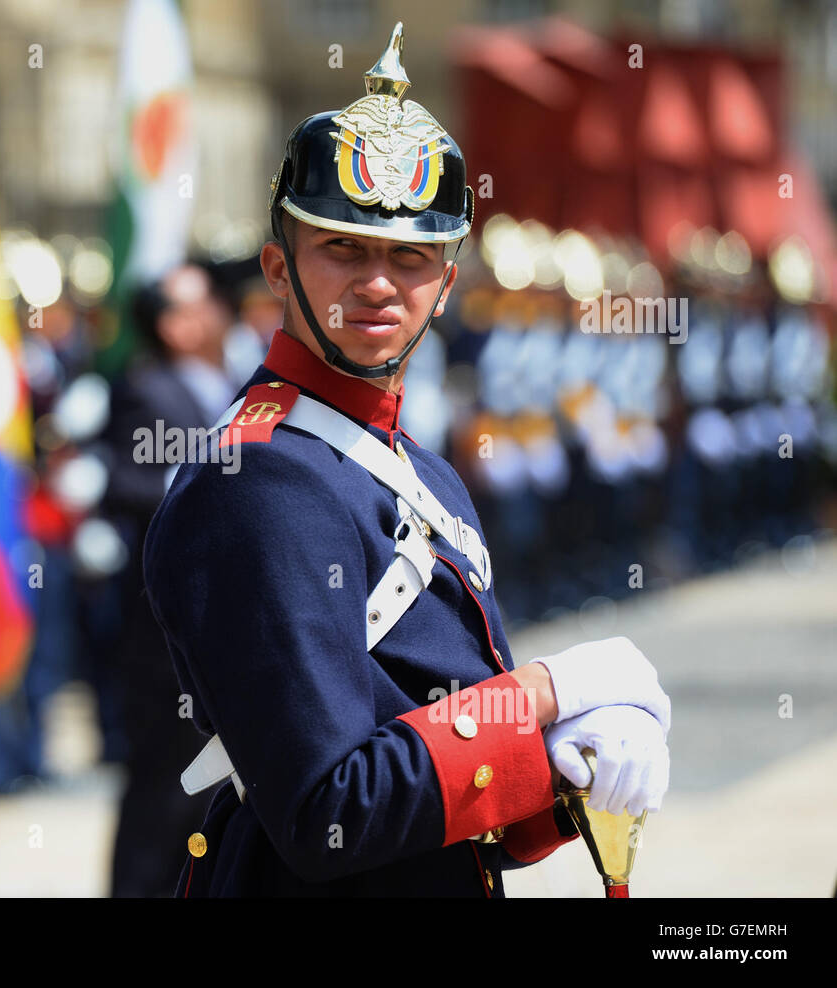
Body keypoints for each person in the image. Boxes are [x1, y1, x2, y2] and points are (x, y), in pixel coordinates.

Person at [142, 23, 672, 897]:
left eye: (411, 256)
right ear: (279, 267)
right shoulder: (258, 480)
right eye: (342, 248)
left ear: (447, 284)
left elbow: (448, 790)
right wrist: (540, 694)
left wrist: (560, 768)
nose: (379, 282)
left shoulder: (424, 473)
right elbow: (331, 808)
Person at [103, 263, 234, 896]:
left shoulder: (225, 384)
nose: (216, 314)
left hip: (219, 627)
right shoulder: (150, 392)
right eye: (199, 305)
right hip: (165, 636)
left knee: (205, 797)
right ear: (172, 326)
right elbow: (129, 484)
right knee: (163, 789)